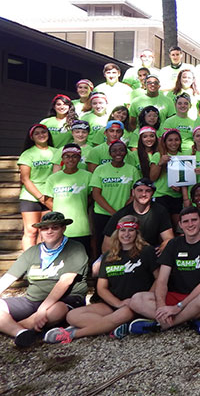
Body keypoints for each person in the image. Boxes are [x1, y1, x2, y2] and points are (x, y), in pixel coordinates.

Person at [43, 215, 158, 344]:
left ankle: (74, 334)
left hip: (134, 304)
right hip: (113, 304)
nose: (126, 234)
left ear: (137, 233)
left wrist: (144, 299)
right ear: (117, 232)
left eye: (131, 230)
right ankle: (115, 328)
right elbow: (101, 288)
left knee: (119, 316)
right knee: (72, 316)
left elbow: (159, 279)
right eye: (122, 230)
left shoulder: (147, 251)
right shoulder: (109, 256)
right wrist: (118, 303)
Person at [128, 207, 200, 335]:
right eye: (186, 221)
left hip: (198, 298)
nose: (190, 224)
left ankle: (161, 325)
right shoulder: (173, 244)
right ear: (180, 224)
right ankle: (189, 319)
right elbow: (162, 280)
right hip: (176, 296)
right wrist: (161, 306)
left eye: (194, 220)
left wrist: (179, 307)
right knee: (136, 299)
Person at [0, 212, 87, 347]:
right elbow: (9, 278)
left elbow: (65, 282)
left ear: (63, 228)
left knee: (56, 310)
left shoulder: (75, 248)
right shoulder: (32, 252)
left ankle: (11, 327)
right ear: (40, 231)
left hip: (64, 299)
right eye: (45, 228)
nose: (49, 231)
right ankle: (20, 332)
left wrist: (43, 309)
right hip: (32, 300)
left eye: (55, 227)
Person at [90, 139, 142, 255]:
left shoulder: (132, 170)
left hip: (125, 214)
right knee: (102, 243)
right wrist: (114, 213)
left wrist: (122, 211)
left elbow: (135, 193)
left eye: (121, 150)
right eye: (114, 151)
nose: (118, 153)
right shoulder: (100, 169)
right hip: (103, 214)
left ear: (126, 152)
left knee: (125, 242)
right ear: (110, 154)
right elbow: (96, 194)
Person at [102, 178, 173, 257]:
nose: (143, 194)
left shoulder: (160, 211)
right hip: (125, 252)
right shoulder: (122, 214)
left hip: (150, 251)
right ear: (133, 192)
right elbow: (106, 246)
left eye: (148, 191)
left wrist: (163, 246)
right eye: (139, 190)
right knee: (96, 267)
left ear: (153, 193)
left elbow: (169, 238)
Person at [43, 144, 93, 256]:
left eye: (74, 156)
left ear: (79, 158)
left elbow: (92, 196)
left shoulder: (88, 176)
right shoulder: (53, 178)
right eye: (67, 156)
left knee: (82, 257)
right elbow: (47, 200)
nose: (71, 159)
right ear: (62, 159)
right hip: (60, 227)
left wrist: (81, 205)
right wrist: (59, 212)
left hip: (81, 227)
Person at [18, 124, 56, 250]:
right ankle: (28, 262)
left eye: (43, 132)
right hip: (30, 196)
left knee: (45, 231)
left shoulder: (56, 152)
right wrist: (40, 197)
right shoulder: (27, 154)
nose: (41, 135)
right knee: (31, 230)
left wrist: (47, 198)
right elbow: (25, 179)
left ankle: (42, 261)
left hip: (50, 195)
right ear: (32, 137)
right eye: (37, 133)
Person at [149, 129, 187, 225]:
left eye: (176, 140)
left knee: (178, 226)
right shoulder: (158, 155)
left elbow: (186, 179)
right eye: (170, 140)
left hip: (177, 197)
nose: (173, 143)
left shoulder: (184, 156)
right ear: (165, 142)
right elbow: (152, 177)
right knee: (161, 226)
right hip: (161, 195)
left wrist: (180, 188)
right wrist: (160, 163)